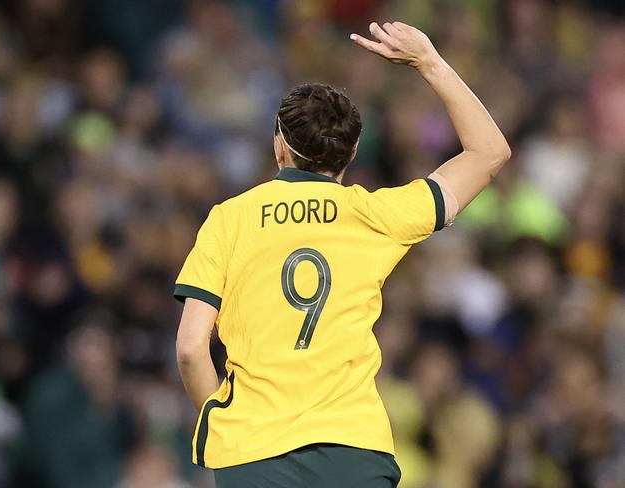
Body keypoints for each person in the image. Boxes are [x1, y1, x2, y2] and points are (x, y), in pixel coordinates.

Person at [174, 21, 510, 488]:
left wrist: (223, 426)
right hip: (354, 448)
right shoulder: (373, 214)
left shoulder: (230, 219)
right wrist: (428, 62)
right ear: (351, 152)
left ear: (278, 146)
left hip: (255, 448)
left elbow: (191, 348)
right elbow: (489, 152)